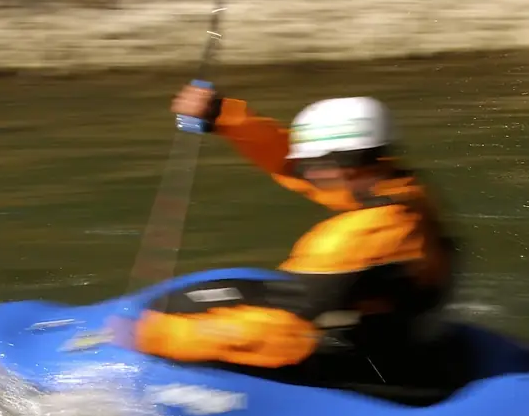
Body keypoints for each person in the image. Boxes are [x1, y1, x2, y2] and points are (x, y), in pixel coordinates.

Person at [124, 82, 462, 392]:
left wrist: (153, 335)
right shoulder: (400, 186)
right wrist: (222, 115)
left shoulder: (355, 238)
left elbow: (283, 334)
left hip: (365, 367)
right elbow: (291, 165)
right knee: (196, 299)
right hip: (402, 336)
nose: (305, 171)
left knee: (183, 318)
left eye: (313, 165)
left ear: (349, 165)